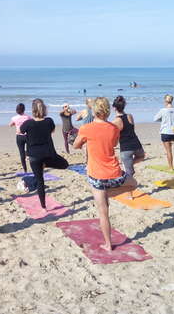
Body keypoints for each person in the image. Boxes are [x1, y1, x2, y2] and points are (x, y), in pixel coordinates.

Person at [73, 97, 137, 251]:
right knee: (134, 184)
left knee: (103, 212)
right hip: (114, 173)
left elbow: (75, 145)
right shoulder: (114, 128)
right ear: (108, 110)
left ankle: (108, 244)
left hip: (96, 176)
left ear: (94, 111)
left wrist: (85, 142)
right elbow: (114, 144)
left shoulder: (86, 128)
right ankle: (109, 194)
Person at [20, 99, 69, 210]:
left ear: (33, 110)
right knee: (65, 164)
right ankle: (45, 164)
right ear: (44, 109)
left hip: (34, 157)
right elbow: (51, 131)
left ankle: (43, 207)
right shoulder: (49, 121)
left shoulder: (28, 123)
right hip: (48, 154)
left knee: (40, 181)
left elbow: (21, 131)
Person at [111, 96, 145, 178]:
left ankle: (130, 187)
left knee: (129, 173)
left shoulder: (115, 121)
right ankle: (130, 165)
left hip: (126, 148)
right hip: (136, 144)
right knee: (141, 156)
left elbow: (114, 136)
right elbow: (131, 129)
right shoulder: (130, 116)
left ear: (114, 108)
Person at [154, 94, 174, 170]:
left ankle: (171, 167)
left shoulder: (162, 110)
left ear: (165, 100)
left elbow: (155, 119)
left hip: (165, 132)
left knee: (169, 151)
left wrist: (163, 120)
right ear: (172, 100)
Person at [9, 103, 32, 173]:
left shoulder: (14, 118)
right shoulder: (28, 117)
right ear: (24, 110)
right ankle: (28, 155)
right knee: (30, 152)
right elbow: (31, 123)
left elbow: (10, 125)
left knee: (21, 153)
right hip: (27, 136)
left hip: (19, 137)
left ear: (17, 110)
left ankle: (25, 170)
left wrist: (15, 123)